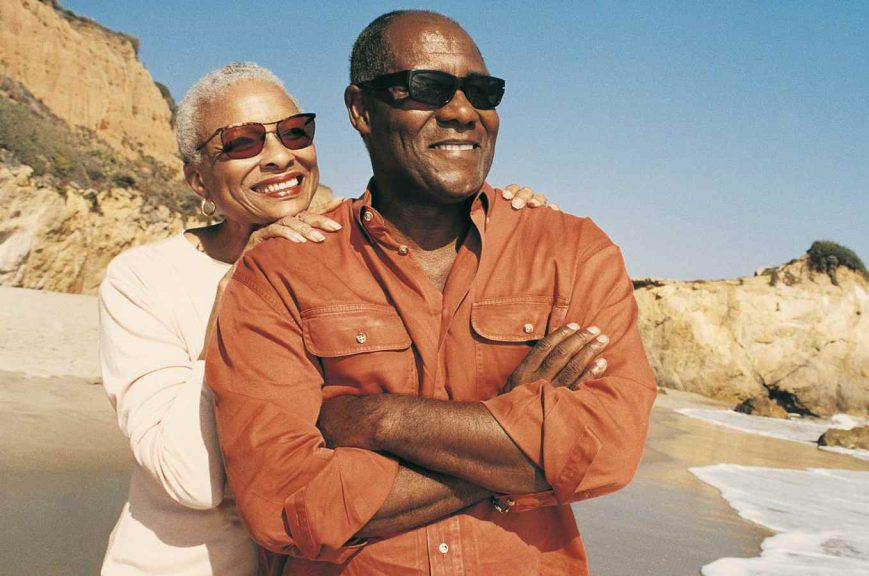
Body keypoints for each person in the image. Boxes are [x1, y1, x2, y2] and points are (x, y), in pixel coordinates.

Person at [206, 9, 657, 576]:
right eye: (429, 88)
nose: (463, 112)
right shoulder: (280, 273)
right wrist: (519, 439)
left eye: (483, 92)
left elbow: (606, 450)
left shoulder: (572, 252)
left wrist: (376, 420)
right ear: (360, 109)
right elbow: (286, 504)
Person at [98, 62, 550, 575]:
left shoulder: (363, 254)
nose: (278, 157)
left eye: (294, 133)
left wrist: (503, 219)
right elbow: (189, 480)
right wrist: (241, 295)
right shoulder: (143, 279)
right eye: (242, 142)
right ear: (197, 176)